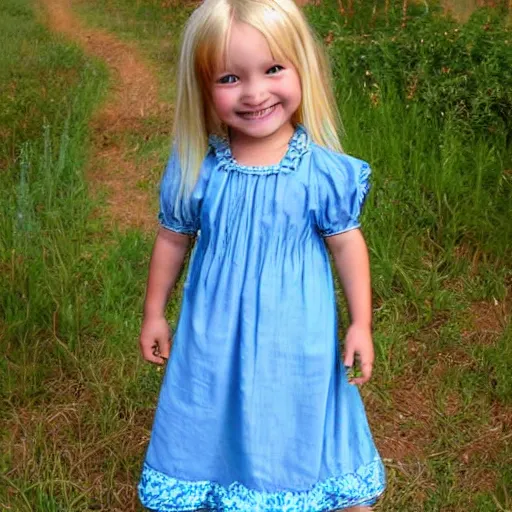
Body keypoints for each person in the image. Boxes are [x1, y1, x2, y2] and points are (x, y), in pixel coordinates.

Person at [138, 0, 386, 510]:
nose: (255, 93)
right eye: (230, 78)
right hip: (214, 330)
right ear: (202, 88)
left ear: (302, 68)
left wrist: (361, 323)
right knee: (212, 405)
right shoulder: (197, 170)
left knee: (297, 406)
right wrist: (154, 313)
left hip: (297, 330)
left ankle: (313, 486)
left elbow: (346, 244)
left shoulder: (321, 171)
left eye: (273, 69)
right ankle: (222, 482)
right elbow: (172, 238)